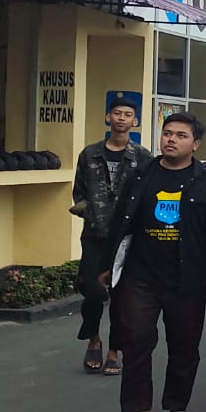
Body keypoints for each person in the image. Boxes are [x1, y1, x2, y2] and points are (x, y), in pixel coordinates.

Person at [102, 112, 206, 412]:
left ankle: (177, 407)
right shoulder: (141, 174)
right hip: (141, 275)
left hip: (187, 277)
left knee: (184, 345)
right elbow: (120, 222)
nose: (171, 139)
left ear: (195, 144)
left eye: (181, 135)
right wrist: (105, 264)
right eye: (167, 133)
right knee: (137, 339)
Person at [70, 96, 151, 376]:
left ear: (135, 121)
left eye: (127, 114)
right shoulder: (89, 154)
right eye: (117, 113)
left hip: (126, 240)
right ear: (108, 117)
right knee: (92, 291)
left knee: (121, 297)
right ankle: (93, 338)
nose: (121, 118)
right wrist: (92, 213)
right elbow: (79, 193)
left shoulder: (142, 156)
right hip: (95, 235)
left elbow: (146, 195)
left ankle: (115, 350)